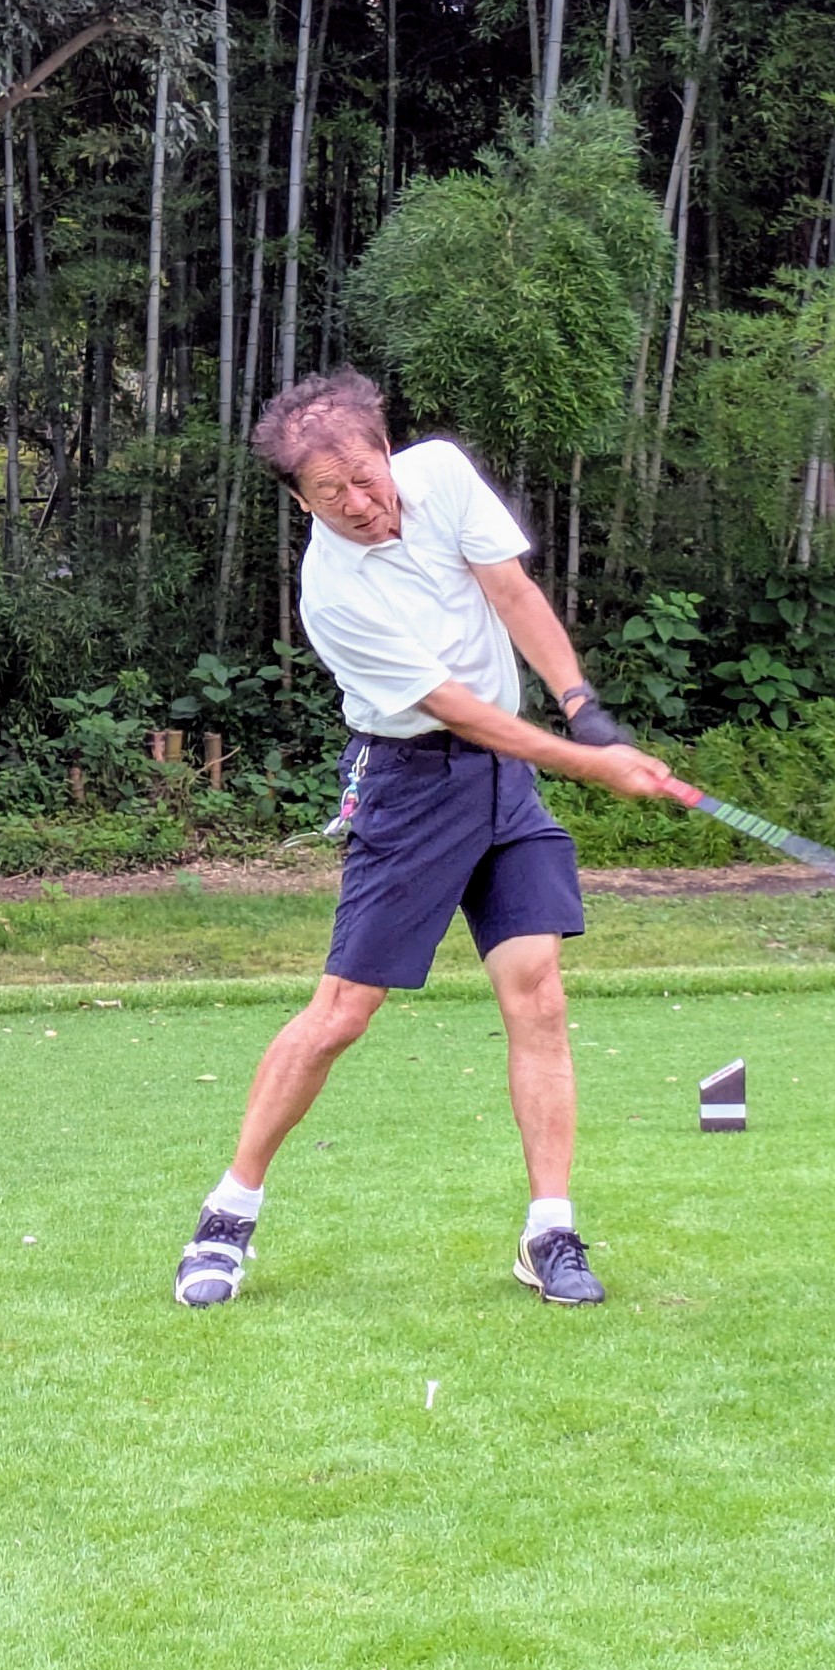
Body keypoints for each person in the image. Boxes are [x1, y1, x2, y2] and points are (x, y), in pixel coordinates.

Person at [174, 369, 679, 1310]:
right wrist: (591, 764)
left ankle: (549, 1231)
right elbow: (458, 709)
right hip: (410, 785)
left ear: (386, 451)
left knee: (538, 994)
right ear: (300, 500)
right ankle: (226, 1215)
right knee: (342, 1013)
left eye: (366, 477)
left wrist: (581, 705)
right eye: (330, 494)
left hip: (505, 786)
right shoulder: (331, 593)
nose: (360, 504)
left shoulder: (439, 474)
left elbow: (511, 591)